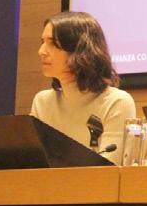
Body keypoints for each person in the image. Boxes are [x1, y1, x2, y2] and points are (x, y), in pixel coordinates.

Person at [30, 11, 136, 164]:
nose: (41, 52)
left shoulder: (117, 102)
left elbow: (108, 171)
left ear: (80, 50)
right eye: (42, 42)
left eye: (52, 43)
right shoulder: (42, 102)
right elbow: (34, 166)